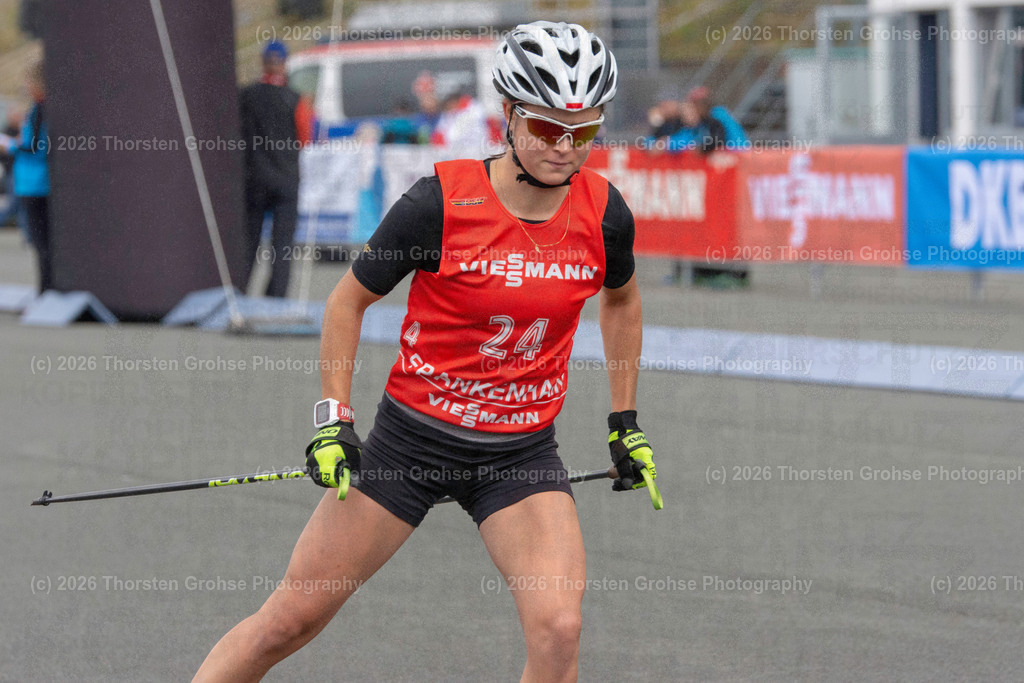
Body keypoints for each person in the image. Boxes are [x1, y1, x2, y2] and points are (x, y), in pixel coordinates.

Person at [195, 21, 658, 682]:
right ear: (508, 113)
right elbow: (346, 303)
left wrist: (624, 421)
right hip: (410, 445)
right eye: (550, 128)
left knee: (560, 628)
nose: (566, 147)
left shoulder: (604, 213)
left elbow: (623, 299)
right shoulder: (438, 204)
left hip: (519, 454)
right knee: (288, 621)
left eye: (583, 131)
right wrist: (333, 419)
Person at [238, 40, 312, 298]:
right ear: (284, 63)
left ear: (263, 62)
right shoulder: (296, 99)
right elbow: (305, 138)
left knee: (249, 241)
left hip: (255, 179)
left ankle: (240, 292)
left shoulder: (246, 95)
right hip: (287, 181)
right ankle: (277, 296)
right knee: (283, 245)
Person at [3, 60, 51, 292]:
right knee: (40, 242)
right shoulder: (38, 109)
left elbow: (35, 147)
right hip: (33, 182)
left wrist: (10, 146)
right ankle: (44, 291)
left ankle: (46, 292)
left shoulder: (41, 109)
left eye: (29, 83)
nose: (26, 87)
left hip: (36, 184)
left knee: (41, 242)